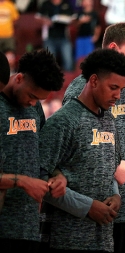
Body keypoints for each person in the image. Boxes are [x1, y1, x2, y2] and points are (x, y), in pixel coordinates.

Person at [62, 22, 125, 253]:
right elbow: (72, 149)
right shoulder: (81, 89)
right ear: (113, 47)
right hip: (92, 204)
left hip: (124, 204)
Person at [39, 49, 125, 253]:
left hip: (104, 239)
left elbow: (110, 171)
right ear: (94, 80)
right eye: (113, 87)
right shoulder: (63, 122)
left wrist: (115, 195)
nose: (118, 95)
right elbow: (40, 180)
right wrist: (87, 206)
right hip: (66, 239)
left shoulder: (110, 120)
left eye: (121, 89)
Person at [0, 49, 65, 253]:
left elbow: (42, 152)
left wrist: (57, 175)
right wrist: (23, 182)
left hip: (28, 226)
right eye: (32, 95)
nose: (33, 103)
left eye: (39, 100)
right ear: (19, 78)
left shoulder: (34, 108)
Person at [36, 0, 74, 72]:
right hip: (49, 38)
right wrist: (46, 21)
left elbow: (72, 18)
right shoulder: (45, 4)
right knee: (50, 63)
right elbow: (37, 18)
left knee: (68, 61)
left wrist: (66, 20)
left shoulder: (66, 4)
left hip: (64, 37)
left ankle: (68, 81)